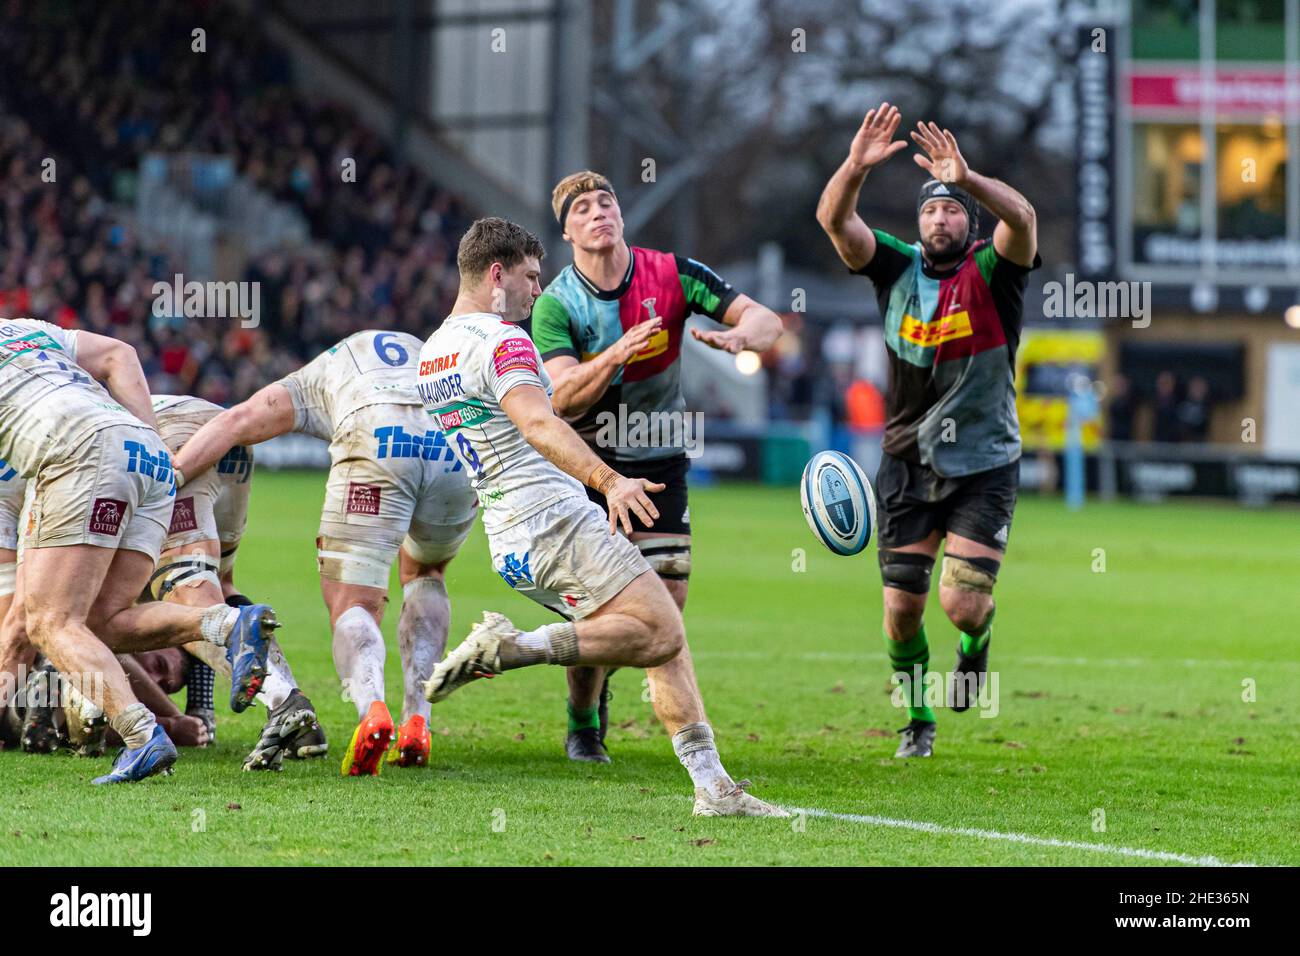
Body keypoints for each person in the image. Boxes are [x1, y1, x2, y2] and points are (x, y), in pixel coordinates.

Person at [418, 217, 784, 816]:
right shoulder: (504, 341)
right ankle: (513, 649)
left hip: (507, 538)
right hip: (555, 520)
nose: (538, 292)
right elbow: (540, 423)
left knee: (659, 632)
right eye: (531, 278)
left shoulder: (433, 353)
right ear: (496, 274)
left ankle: (712, 786)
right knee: (663, 631)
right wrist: (608, 481)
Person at [531, 171, 785, 763]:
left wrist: (743, 338)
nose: (599, 213)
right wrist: (617, 351)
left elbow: (766, 319)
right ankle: (583, 720)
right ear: (566, 230)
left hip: (660, 455)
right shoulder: (555, 304)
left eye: (607, 201)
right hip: (590, 465)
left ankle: (656, 710)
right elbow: (562, 398)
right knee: (597, 606)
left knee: (665, 602)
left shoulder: (672, 273)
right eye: (583, 208)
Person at [816, 103, 1040, 757]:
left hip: (984, 462)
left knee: (962, 605)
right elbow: (835, 220)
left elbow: (1023, 218)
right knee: (901, 611)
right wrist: (854, 167)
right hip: (907, 462)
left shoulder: (995, 273)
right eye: (930, 210)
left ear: (967, 219)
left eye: (951, 209)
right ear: (918, 223)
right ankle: (918, 720)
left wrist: (967, 177)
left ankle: (975, 646)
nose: (940, 218)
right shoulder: (894, 269)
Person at [173, 331, 477, 776]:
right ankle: (419, 719)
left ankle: (372, 708)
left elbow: (239, 421)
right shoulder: (426, 354)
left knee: (353, 604)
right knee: (426, 572)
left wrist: (176, 472)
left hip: (379, 437)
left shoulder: (321, 373)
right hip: (454, 444)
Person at [0, 317, 275, 784]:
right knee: (101, 622)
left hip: (74, 451)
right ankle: (230, 621)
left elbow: (17, 635)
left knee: (50, 622)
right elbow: (119, 355)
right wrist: (152, 445)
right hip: (146, 449)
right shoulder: (23, 329)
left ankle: (142, 735)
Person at [151, 393, 326, 770]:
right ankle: (300, 720)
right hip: (223, 434)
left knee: (186, 592)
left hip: (171, 439)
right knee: (219, 586)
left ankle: (284, 702)